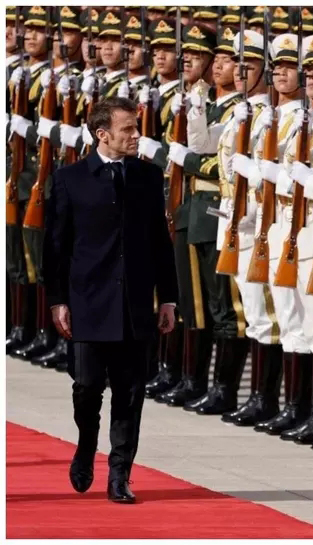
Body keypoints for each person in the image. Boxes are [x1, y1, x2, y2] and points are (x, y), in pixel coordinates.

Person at [43, 96, 178, 503]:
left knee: (130, 392)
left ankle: (120, 474)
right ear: (103, 134)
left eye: (136, 128)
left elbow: (160, 242)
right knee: (86, 387)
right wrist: (58, 299)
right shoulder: (70, 179)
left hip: (134, 303)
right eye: (128, 129)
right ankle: (86, 446)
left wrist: (168, 298)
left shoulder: (148, 177)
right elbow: (55, 247)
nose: (136, 136)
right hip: (87, 301)